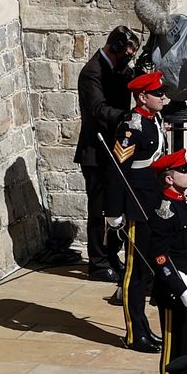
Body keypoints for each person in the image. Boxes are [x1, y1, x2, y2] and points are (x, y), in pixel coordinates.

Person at [110, 70, 170, 352]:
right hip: (137, 205)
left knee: (147, 272)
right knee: (135, 273)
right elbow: (118, 171)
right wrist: (114, 211)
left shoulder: (153, 119)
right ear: (143, 97)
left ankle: (144, 326)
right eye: (158, 94)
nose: (163, 97)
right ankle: (135, 333)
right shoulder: (130, 126)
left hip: (153, 201)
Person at [76, 26, 139, 281]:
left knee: (116, 206)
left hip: (114, 150)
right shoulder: (92, 72)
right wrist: (128, 117)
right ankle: (98, 263)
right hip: (96, 152)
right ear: (115, 48)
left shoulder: (116, 69)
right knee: (98, 210)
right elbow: (98, 109)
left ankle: (112, 256)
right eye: (128, 51)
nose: (129, 56)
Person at [145, 149, 187, 374]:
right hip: (174, 293)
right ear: (169, 178)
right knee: (173, 353)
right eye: (183, 170)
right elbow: (160, 257)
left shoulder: (183, 201)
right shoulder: (164, 209)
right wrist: (181, 291)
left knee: (185, 350)